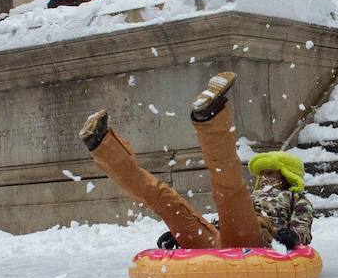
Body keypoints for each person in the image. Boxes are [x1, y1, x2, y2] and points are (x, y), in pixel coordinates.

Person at [79, 71, 313, 250]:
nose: (266, 177)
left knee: (229, 189)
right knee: (163, 201)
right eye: (264, 173)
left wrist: (291, 237)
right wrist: (182, 234)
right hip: (218, 237)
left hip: (253, 241)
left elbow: (303, 229)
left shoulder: (295, 197)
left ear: (287, 176)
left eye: (272, 173)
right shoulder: (253, 196)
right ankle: (102, 145)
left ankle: (211, 116)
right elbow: (222, 220)